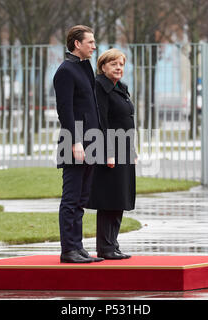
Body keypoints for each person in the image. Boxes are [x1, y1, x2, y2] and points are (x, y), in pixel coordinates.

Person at [53, 25, 104, 263]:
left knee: (82, 199)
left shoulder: (84, 68)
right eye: (90, 42)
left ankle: (78, 247)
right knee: (71, 198)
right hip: (75, 141)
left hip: (91, 141)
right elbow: (66, 110)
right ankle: (68, 250)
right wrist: (76, 142)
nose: (94, 46)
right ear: (77, 44)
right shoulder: (66, 71)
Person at [87, 48, 137, 260]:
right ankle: (105, 247)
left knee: (120, 198)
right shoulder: (100, 87)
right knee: (108, 199)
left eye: (121, 64)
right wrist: (108, 153)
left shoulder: (121, 88)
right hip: (111, 151)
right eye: (114, 64)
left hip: (124, 148)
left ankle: (113, 244)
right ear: (103, 66)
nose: (118, 68)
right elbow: (103, 122)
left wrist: (132, 150)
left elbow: (127, 122)